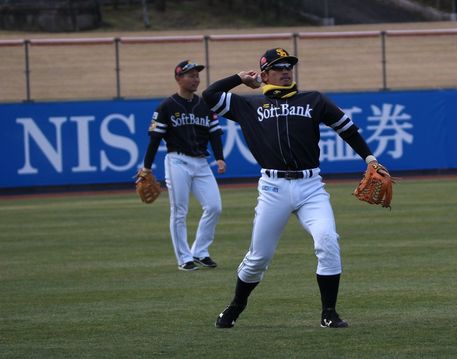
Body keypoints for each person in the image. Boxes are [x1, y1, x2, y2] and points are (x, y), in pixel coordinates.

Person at [202, 48, 388, 328]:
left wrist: (370, 158)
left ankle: (329, 313)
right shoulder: (249, 105)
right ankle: (236, 306)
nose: (286, 70)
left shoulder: (313, 100)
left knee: (327, 241)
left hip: (311, 186)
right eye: (278, 67)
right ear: (264, 74)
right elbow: (209, 96)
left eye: (288, 65)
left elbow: (347, 129)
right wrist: (239, 78)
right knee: (258, 259)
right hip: (273, 188)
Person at [140, 60, 226, 271]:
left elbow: (214, 133)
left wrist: (220, 157)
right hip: (177, 161)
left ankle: (200, 251)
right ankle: (184, 258)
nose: (195, 79)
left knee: (214, 207)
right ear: (179, 78)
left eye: (197, 75)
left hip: (202, 162)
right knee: (179, 210)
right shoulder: (166, 107)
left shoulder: (204, 105)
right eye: (190, 75)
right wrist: (147, 167)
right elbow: (154, 139)